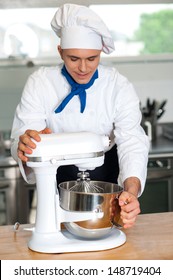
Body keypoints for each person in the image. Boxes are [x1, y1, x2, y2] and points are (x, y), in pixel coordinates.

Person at [10, 3, 150, 229]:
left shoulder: (118, 86)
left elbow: (132, 141)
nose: (83, 68)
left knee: (106, 231)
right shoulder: (41, 83)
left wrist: (131, 191)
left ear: (100, 53)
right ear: (60, 52)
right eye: (73, 58)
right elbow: (23, 135)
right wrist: (25, 144)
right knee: (57, 230)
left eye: (92, 58)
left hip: (107, 173)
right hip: (57, 173)